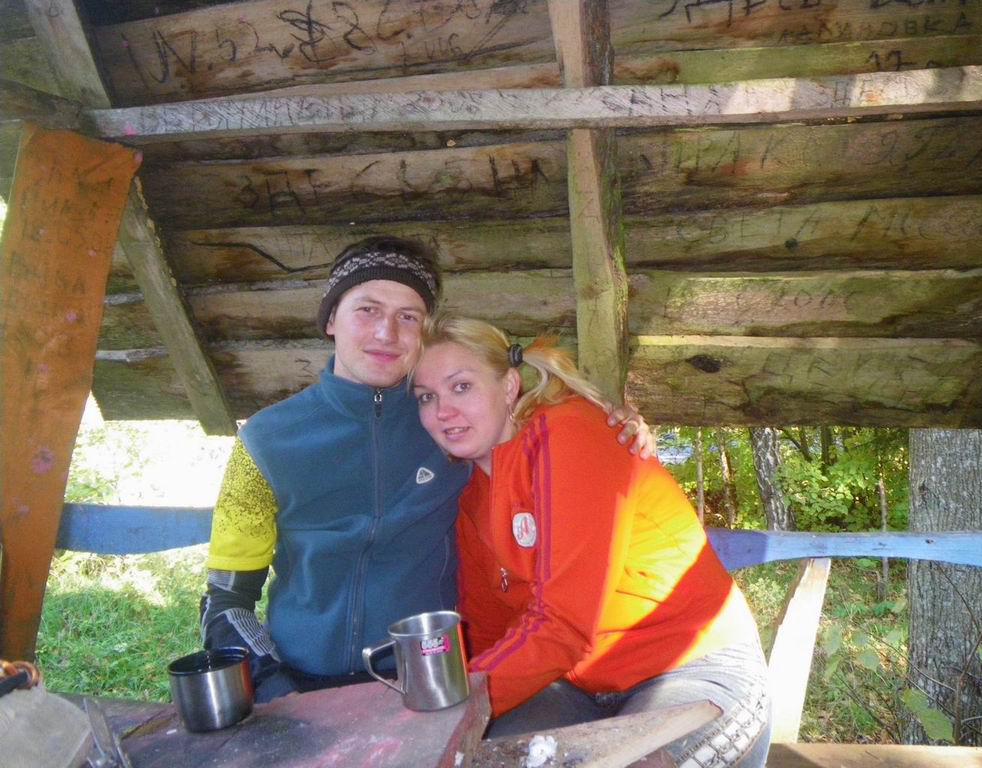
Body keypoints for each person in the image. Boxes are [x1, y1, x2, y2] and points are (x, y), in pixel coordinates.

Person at [200, 236, 651, 702]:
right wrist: (274, 685)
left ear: (424, 333)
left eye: (408, 317)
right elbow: (226, 598)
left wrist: (618, 421)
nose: (386, 333)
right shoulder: (265, 441)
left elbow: (541, 434)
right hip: (297, 682)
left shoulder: (451, 426)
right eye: (367, 310)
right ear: (331, 319)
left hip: (426, 678)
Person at [411, 315, 771, 768]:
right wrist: (452, 713)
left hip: (690, 665)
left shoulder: (568, 432)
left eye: (461, 387)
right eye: (427, 397)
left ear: (508, 386)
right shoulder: (472, 499)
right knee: (481, 758)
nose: (442, 411)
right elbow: (486, 632)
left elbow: (562, 624)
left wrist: (444, 712)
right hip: (574, 688)